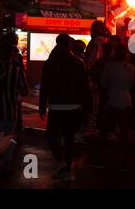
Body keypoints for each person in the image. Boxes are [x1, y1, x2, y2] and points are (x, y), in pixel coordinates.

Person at [39, 34, 92, 180]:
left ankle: (61, 162)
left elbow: (45, 85)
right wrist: (88, 108)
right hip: (74, 105)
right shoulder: (79, 63)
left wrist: (42, 105)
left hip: (56, 104)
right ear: (69, 45)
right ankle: (66, 168)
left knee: (51, 136)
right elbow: (85, 88)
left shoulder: (50, 63)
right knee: (69, 138)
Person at [0, 42, 28, 175]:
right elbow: (25, 90)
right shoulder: (17, 71)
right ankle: (6, 163)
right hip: (10, 111)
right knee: (7, 138)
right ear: (12, 54)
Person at [94, 44, 135, 169]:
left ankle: (100, 159)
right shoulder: (131, 67)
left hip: (112, 100)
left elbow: (103, 82)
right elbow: (132, 83)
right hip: (126, 101)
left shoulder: (110, 66)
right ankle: (125, 160)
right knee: (124, 131)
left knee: (104, 130)